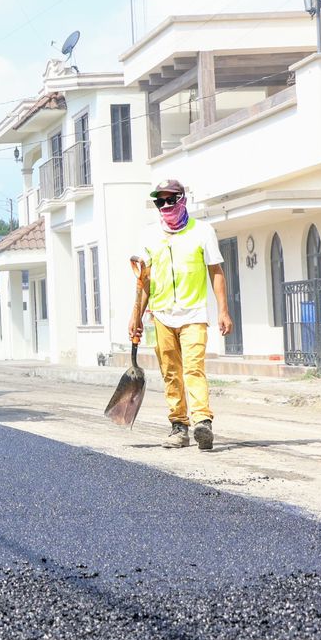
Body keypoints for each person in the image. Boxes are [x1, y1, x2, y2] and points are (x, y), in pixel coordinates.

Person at [129, 179, 233, 452]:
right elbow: (144, 281)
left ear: (182, 199)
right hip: (161, 315)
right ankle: (179, 426)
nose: (165, 206)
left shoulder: (202, 231)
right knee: (170, 373)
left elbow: (216, 271)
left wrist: (223, 310)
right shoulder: (149, 236)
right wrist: (136, 316)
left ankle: (202, 422)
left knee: (193, 367)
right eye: (159, 201)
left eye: (170, 200)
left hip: (194, 314)